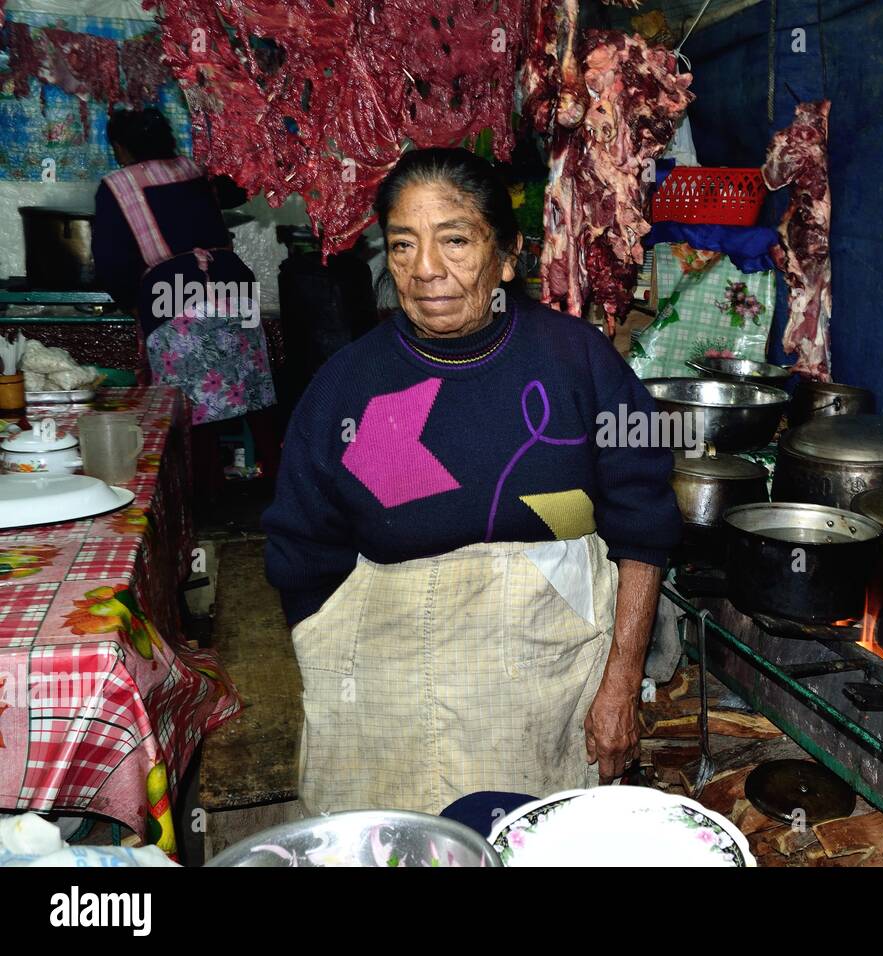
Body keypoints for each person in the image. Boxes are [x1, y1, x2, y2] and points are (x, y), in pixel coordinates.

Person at [262, 147, 682, 814]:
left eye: (455, 240)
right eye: (403, 245)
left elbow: (644, 524)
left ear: (509, 256)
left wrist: (622, 680)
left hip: (547, 685)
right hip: (387, 686)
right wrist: (340, 680)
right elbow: (301, 553)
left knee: (533, 839)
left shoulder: (577, 362)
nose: (426, 269)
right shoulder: (352, 386)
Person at [92, 107, 277, 497]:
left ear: (120, 146)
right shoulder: (194, 170)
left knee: (190, 405)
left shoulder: (117, 185)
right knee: (256, 395)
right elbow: (237, 190)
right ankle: (280, 484)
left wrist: (132, 302)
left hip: (173, 293)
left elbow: (110, 260)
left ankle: (203, 499)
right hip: (233, 284)